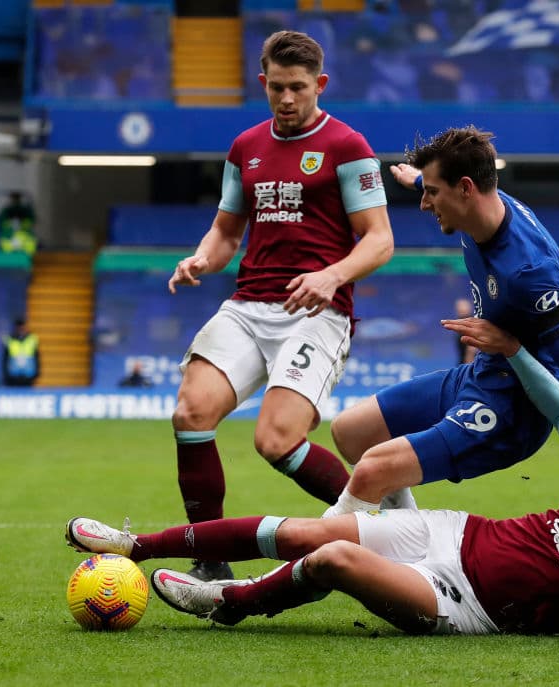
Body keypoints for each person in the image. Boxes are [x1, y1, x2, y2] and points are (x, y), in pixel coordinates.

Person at [65, 320, 559, 660]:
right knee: (305, 532)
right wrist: (513, 351)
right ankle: (136, 542)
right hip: (454, 533)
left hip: (462, 605)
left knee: (334, 562)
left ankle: (227, 604)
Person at [165, 30, 394, 581]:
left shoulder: (347, 147)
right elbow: (225, 232)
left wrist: (331, 276)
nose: (287, 99)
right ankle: (211, 561)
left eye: (299, 88)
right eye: (277, 88)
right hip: (248, 306)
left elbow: (380, 238)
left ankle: (380, 531)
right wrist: (199, 260)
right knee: (190, 415)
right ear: (263, 83)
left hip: (318, 312)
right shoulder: (245, 148)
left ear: (321, 84)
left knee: (276, 439)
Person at [324, 126, 559, 519]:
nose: (425, 205)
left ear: (464, 189)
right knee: (351, 434)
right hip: (481, 375)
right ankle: (407, 541)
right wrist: (416, 180)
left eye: (432, 192)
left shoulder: (529, 271)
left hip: (514, 408)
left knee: (373, 468)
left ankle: (310, 562)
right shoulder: (484, 206)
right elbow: (453, 189)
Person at [1, 318, 40, 387]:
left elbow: (37, 357)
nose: (21, 329)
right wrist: (6, 374)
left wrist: (36, 373)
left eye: (22, 327)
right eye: (19, 327)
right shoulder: (9, 340)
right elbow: (5, 359)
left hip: (28, 375)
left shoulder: (32, 339)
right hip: (13, 376)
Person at [0, 191, 37, 256]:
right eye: (14, 198)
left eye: (17, 198)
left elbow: (31, 248)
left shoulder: (25, 210)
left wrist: (23, 224)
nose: (15, 200)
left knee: (29, 243)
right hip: (9, 256)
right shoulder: (7, 210)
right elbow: (2, 221)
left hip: (25, 257)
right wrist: (10, 224)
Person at [453, 297, 476, 364]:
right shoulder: (461, 323)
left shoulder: (469, 324)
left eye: (462, 306)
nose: (459, 309)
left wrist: (468, 367)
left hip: (468, 365)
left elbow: (471, 349)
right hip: (463, 363)